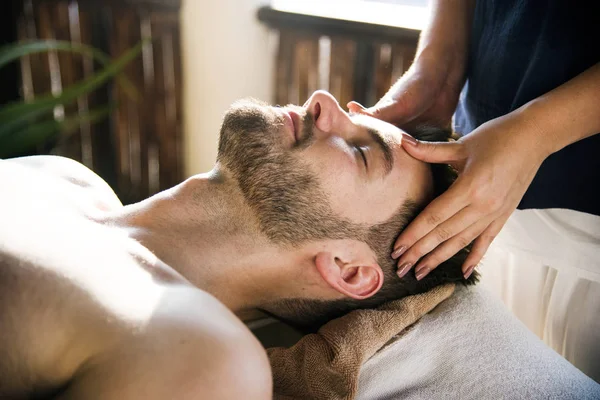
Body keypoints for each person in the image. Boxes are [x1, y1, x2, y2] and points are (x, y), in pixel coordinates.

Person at [0, 90, 475, 399]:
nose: (322, 101)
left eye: (360, 151)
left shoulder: (208, 359)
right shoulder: (65, 177)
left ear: (347, 269)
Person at [348, 0, 600, 281]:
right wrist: (437, 64)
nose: (323, 101)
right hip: (479, 205)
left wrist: (537, 132)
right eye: (359, 152)